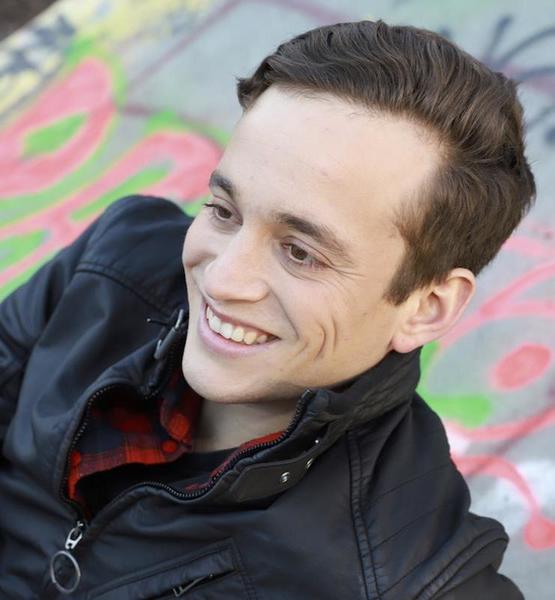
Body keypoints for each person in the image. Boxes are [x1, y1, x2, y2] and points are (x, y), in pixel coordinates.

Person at [0, 19, 534, 599]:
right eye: (223, 211)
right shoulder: (114, 265)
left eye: (301, 253)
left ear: (426, 308)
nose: (222, 278)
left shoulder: (414, 579)